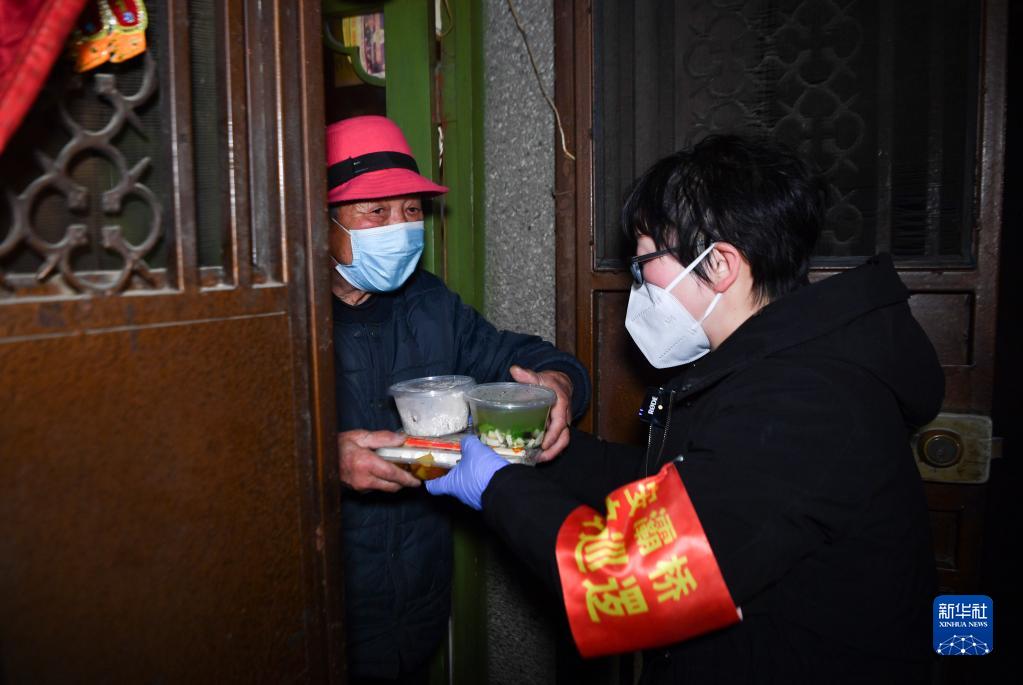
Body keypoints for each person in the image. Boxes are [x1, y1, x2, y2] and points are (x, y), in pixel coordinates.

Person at [427, 134, 943, 683]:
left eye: (645, 261)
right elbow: (682, 487)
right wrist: (533, 450)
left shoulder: (805, 399)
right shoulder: (767, 365)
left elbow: (629, 583)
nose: (638, 283)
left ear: (719, 263)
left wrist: (497, 485)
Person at [326, 114, 591, 683]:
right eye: (376, 212)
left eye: (411, 210)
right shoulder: (280, 317)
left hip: (417, 606)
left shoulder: (430, 305)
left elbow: (517, 356)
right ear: (322, 220)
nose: (400, 227)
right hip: (327, 615)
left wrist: (561, 384)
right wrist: (322, 462)